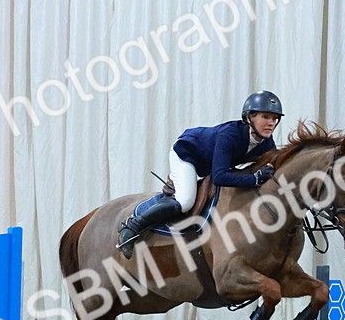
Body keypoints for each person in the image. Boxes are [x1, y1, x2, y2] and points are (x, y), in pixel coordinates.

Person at [116, 90, 284, 258]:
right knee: (185, 201)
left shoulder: (266, 143)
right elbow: (219, 177)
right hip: (187, 153)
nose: (271, 123)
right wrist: (254, 179)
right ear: (249, 117)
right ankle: (132, 225)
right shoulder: (230, 134)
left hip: (207, 163)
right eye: (265, 117)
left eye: (275, 118)